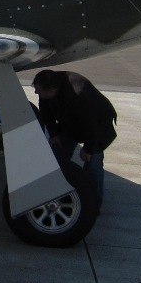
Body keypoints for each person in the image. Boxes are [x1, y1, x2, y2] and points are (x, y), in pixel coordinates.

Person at [30, 69, 117, 204]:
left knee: (93, 163)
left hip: (98, 125)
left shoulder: (78, 93)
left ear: (51, 90)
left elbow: (91, 125)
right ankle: (55, 190)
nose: (36, 93)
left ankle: (93, 202)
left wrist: (89, 149)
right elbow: (45, 111)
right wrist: (54, 134)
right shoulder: (47, 89)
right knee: (56, 155)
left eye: (39, 90)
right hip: (70, 123)